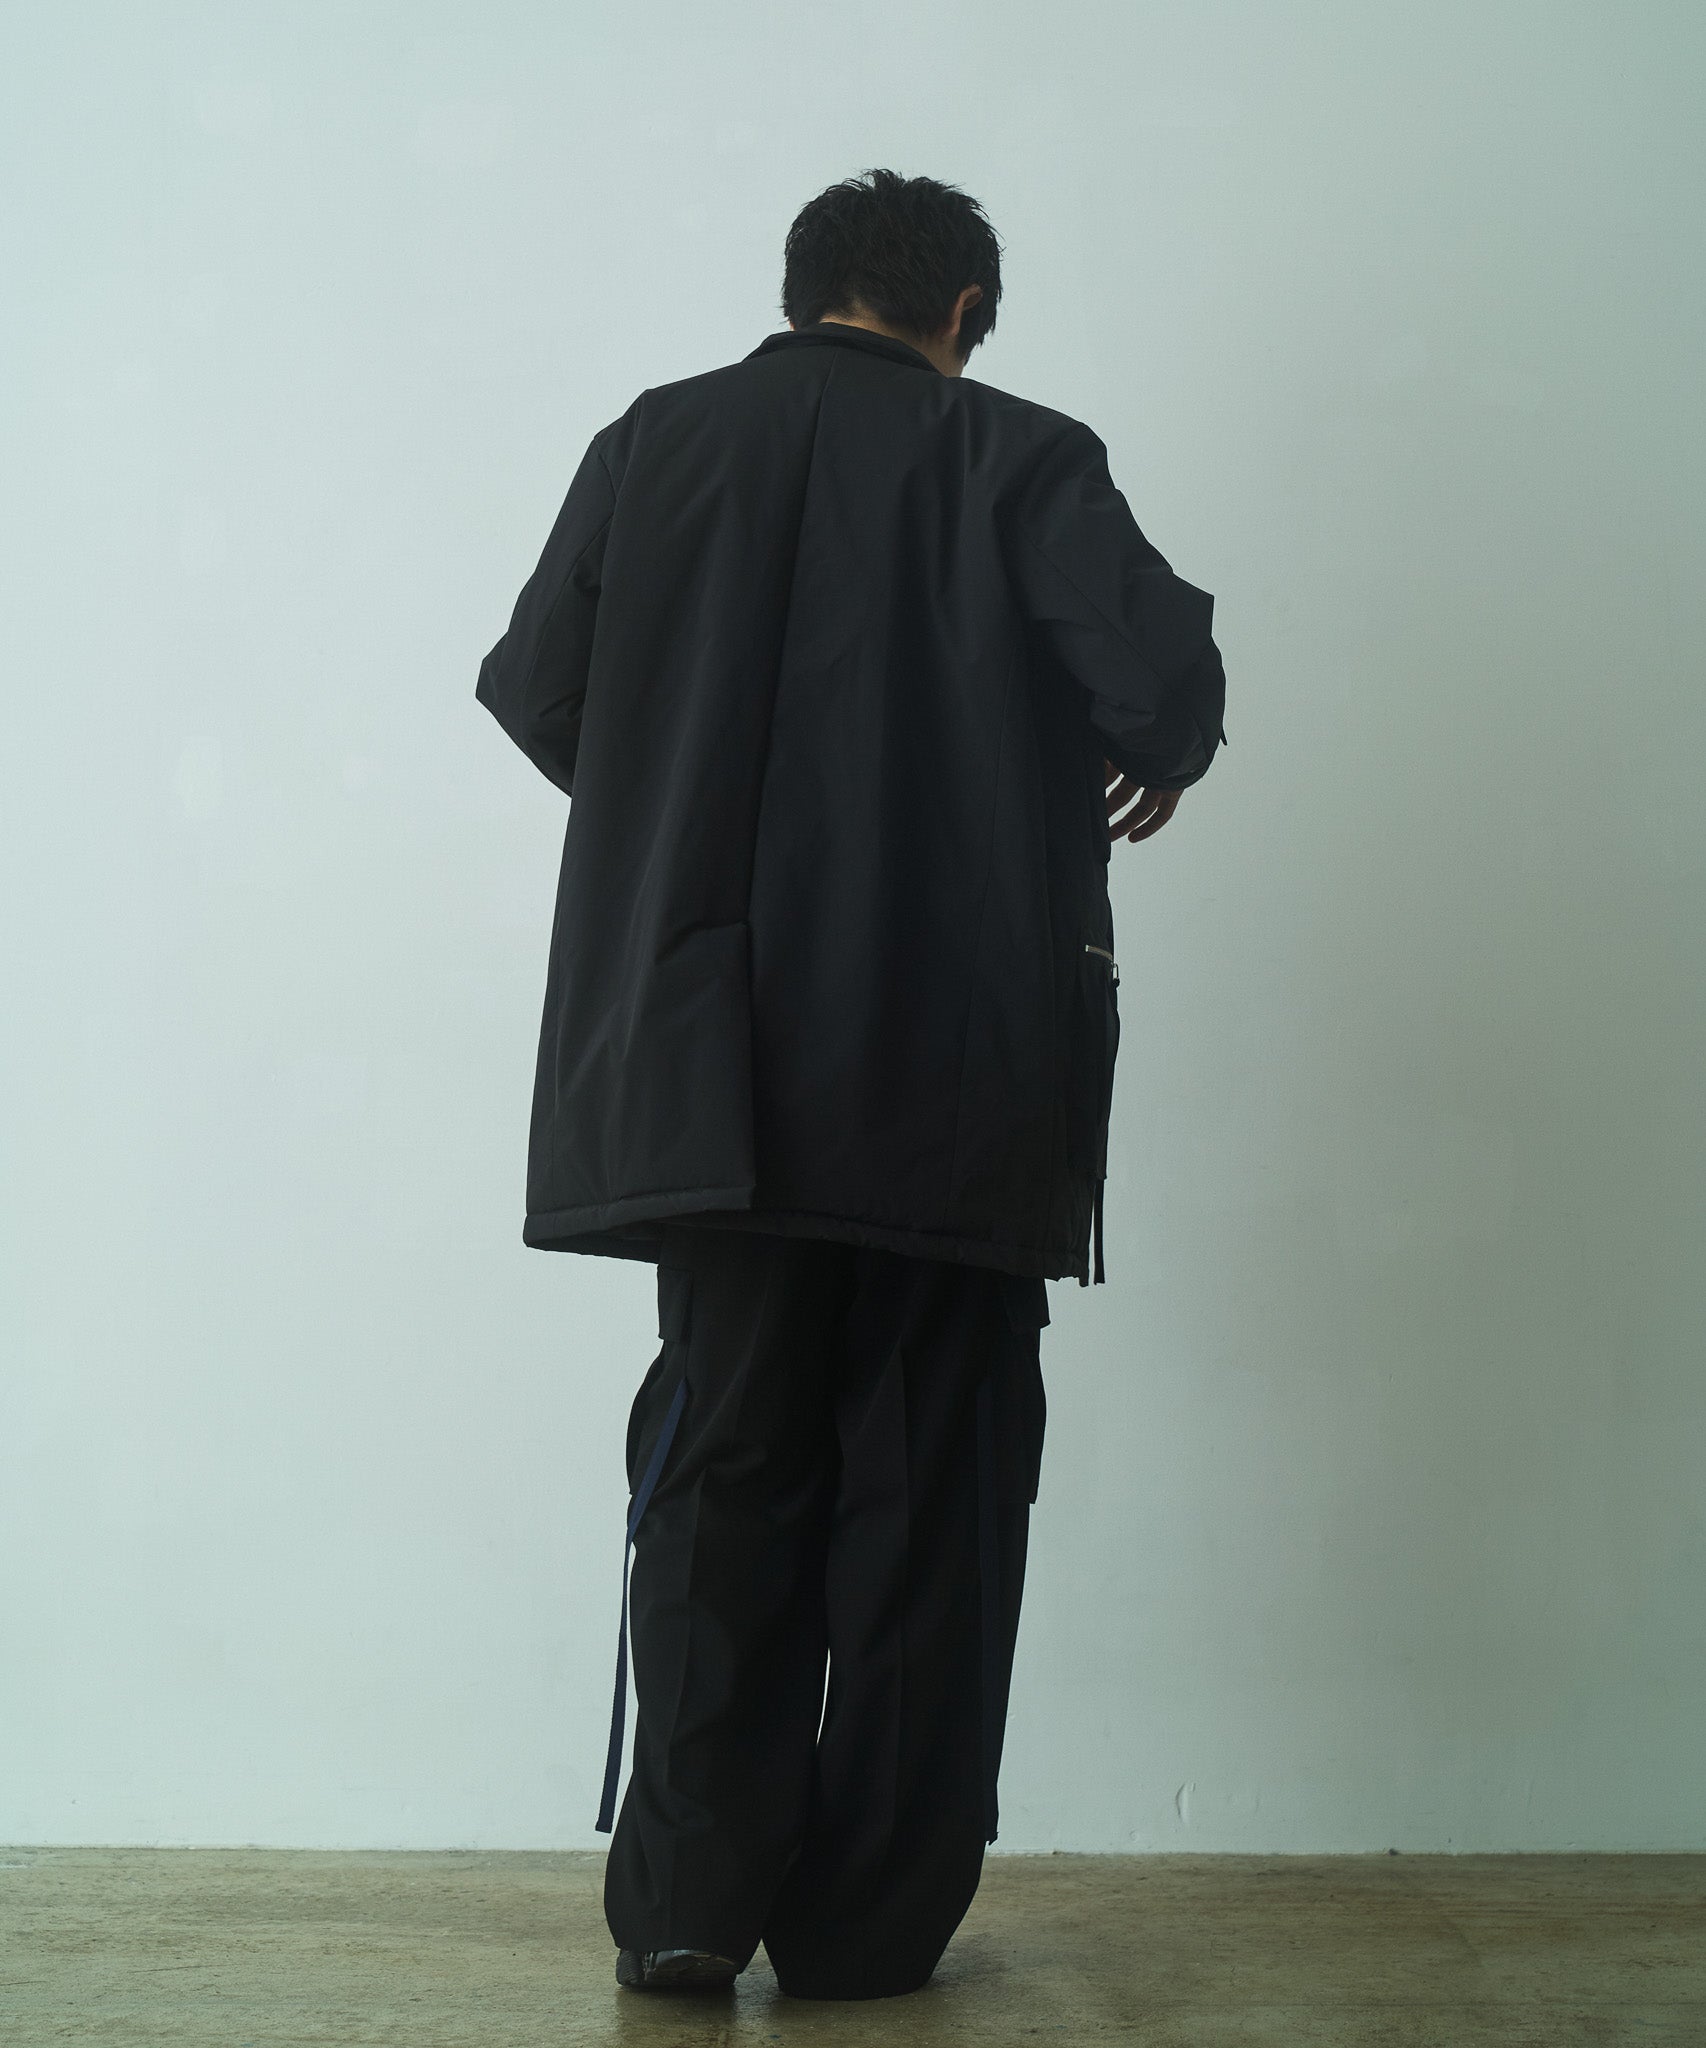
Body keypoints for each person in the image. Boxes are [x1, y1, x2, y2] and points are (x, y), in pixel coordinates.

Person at [474, 166, 1227, 2002]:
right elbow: (1155, 690)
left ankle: (681, 1908)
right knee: (930, 1491)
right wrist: (1143, 754)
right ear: (961, 311)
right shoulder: (1019, 456)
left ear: (803, 293)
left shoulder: (653, 443)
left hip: (708, 1070)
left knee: (719, 1468)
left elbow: (535, 686)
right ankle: (867, 1928)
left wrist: (684, 797)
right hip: (947, 1068)